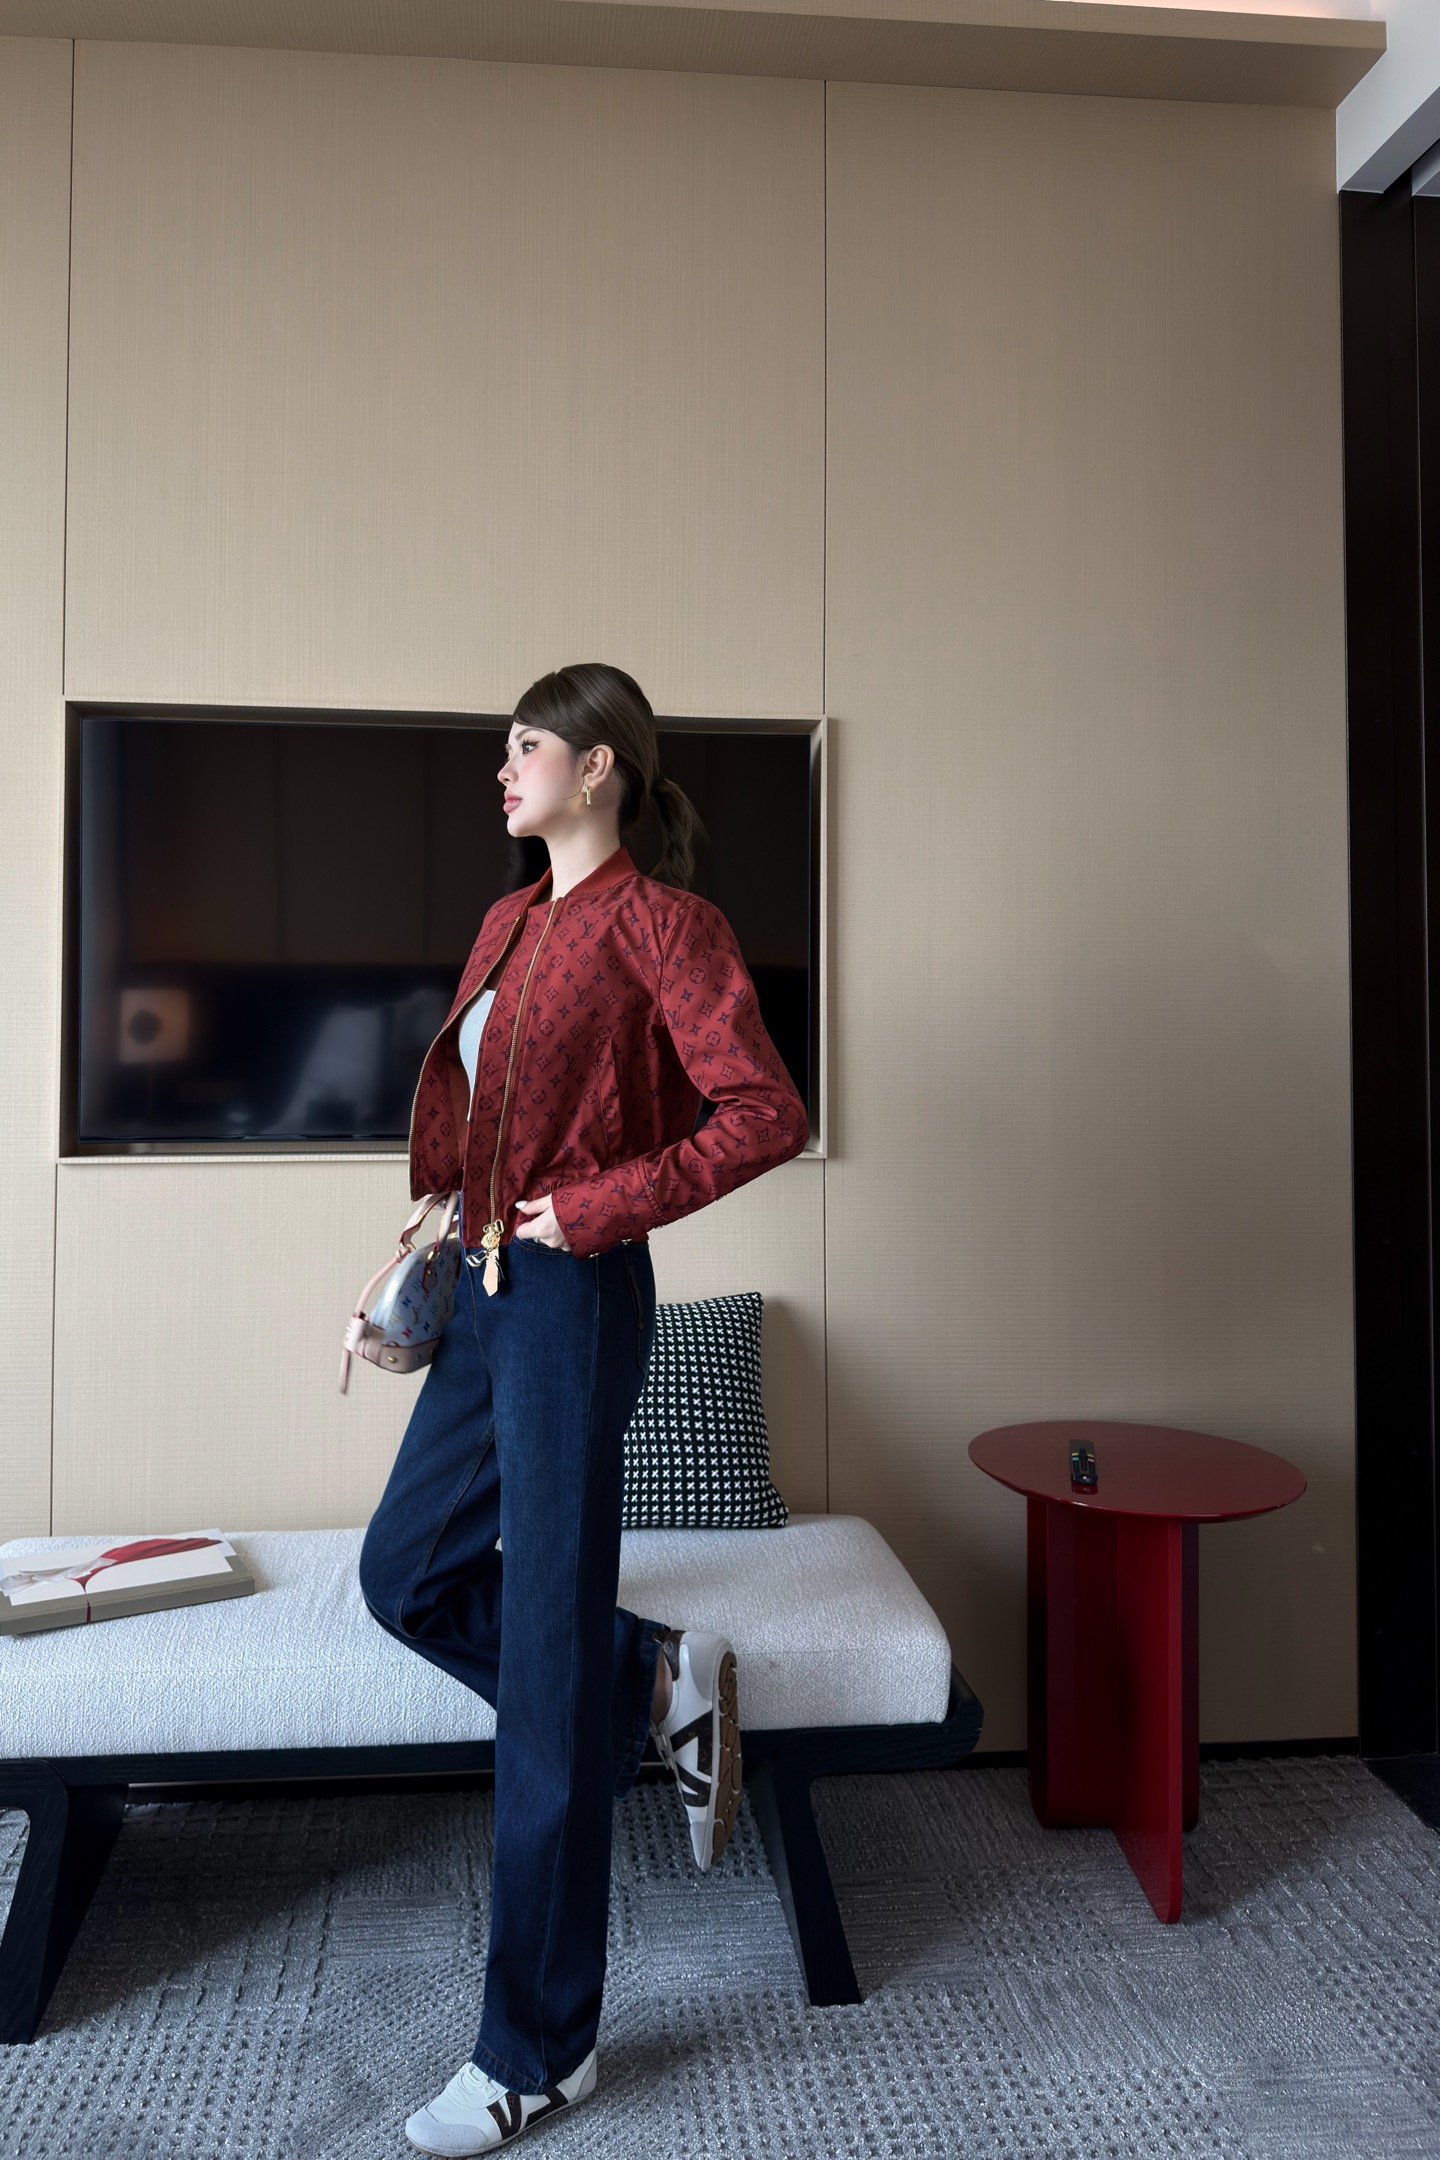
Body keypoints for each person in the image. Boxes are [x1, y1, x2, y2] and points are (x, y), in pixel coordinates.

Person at [357, 663, 810, 2155]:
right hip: (487, 1295)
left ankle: (538, 2052)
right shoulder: (507, 923)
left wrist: (600, 1206)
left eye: (528, 747)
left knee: (541, 1666)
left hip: (577, 1301)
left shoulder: (667, 926)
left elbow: (766, 1112)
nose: (506, 771)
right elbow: (480, 1129)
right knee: (405, 1574)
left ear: (599, 765)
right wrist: (418, 1261)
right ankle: (652, 1677)